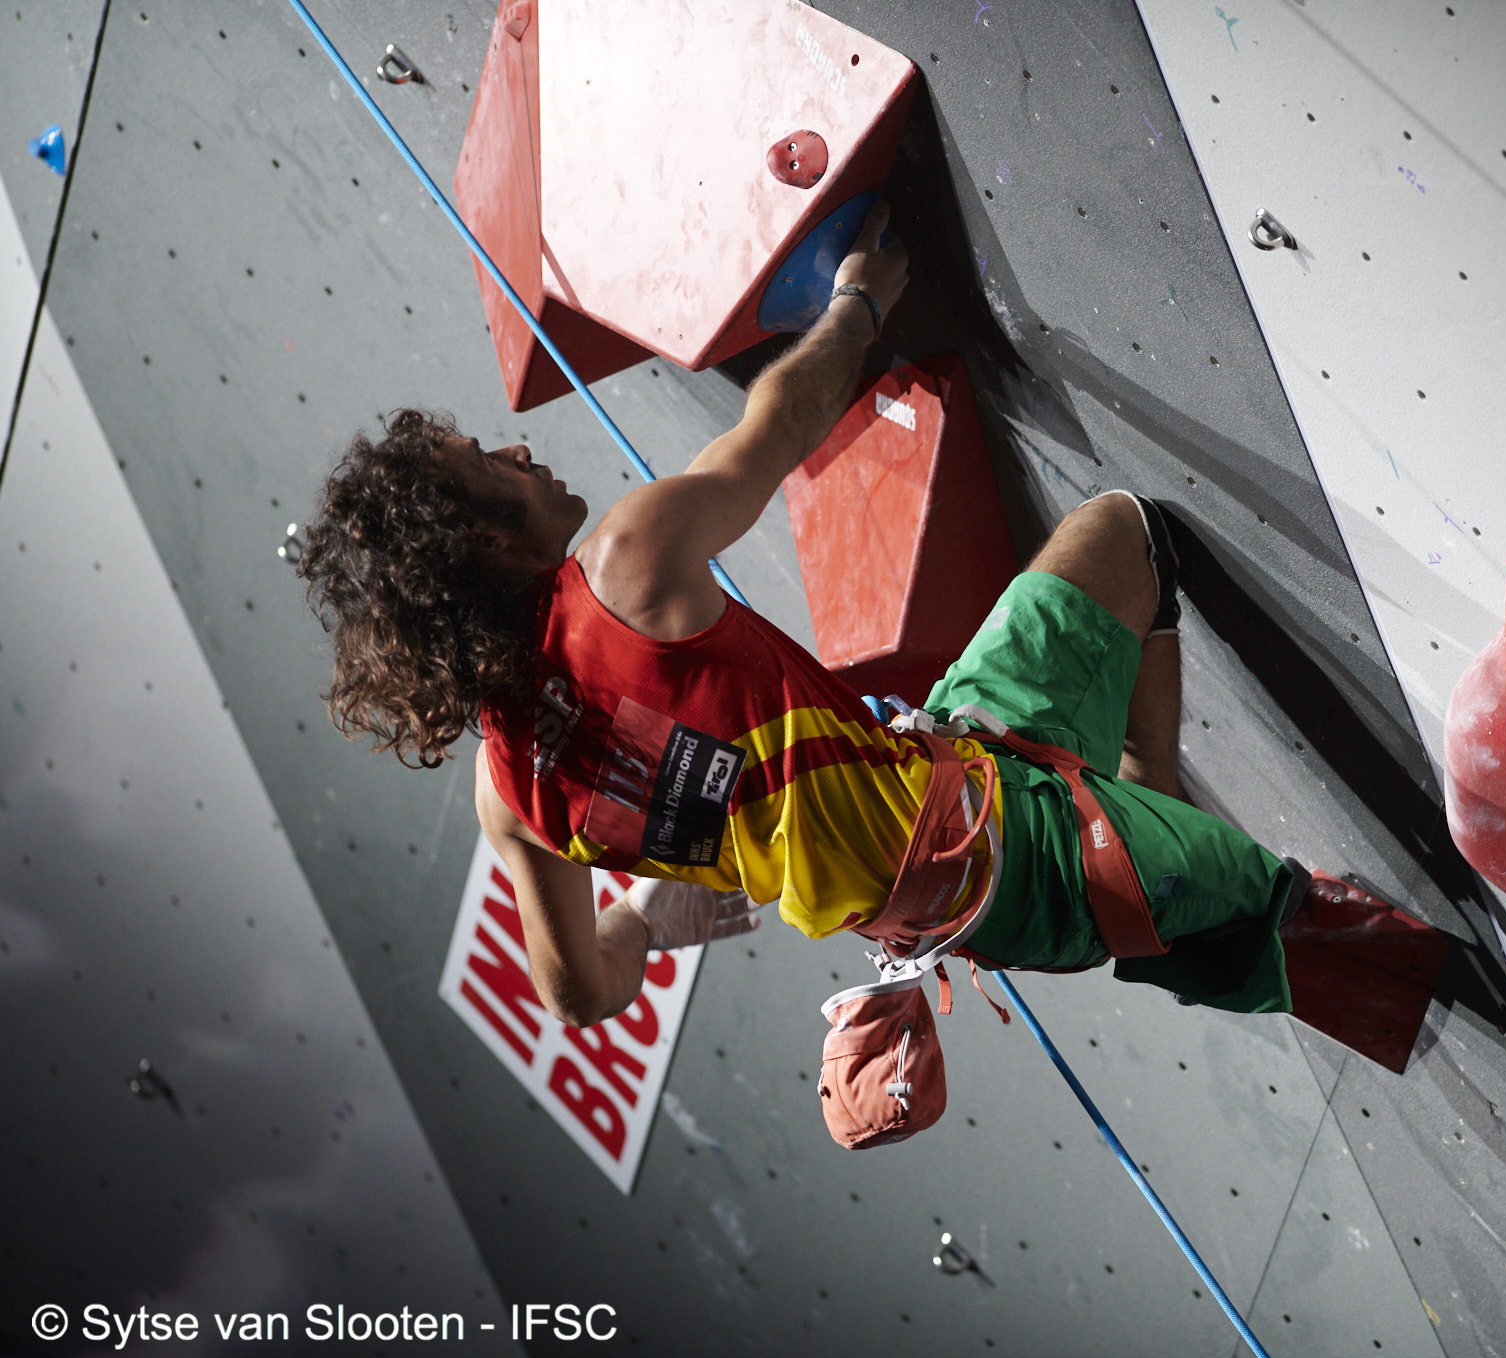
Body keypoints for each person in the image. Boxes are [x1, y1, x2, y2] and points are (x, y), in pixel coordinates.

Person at [299, 201, 1344, 1031]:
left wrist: (640, 918)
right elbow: (782, 420)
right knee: (1139, 545)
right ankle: (1148, 798)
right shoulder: (622, 565)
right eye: (488, 463)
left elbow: (576, 997)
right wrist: (856, 303)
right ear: (483, 542)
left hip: (963, 873)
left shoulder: (509, 800)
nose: (515, 452)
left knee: (1114, 554)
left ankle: (1143, 809)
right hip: (1019, 843)